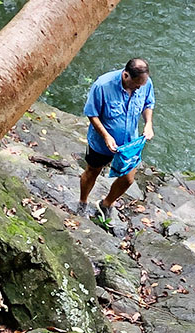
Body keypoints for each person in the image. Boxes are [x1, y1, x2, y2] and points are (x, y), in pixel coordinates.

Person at [79, 57, 155, 230]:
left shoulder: (145, 82)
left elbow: (148, 103)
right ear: (126, 75)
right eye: (136, 85)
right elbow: (92, 113)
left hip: (129, 143)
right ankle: (82, 202)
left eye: (141, 85)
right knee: (92, 172)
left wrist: (149, 123)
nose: (139, 88)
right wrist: (106, 136)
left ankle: (106, 204)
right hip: (101, 142)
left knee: (128, 179)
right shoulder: (102, 86)